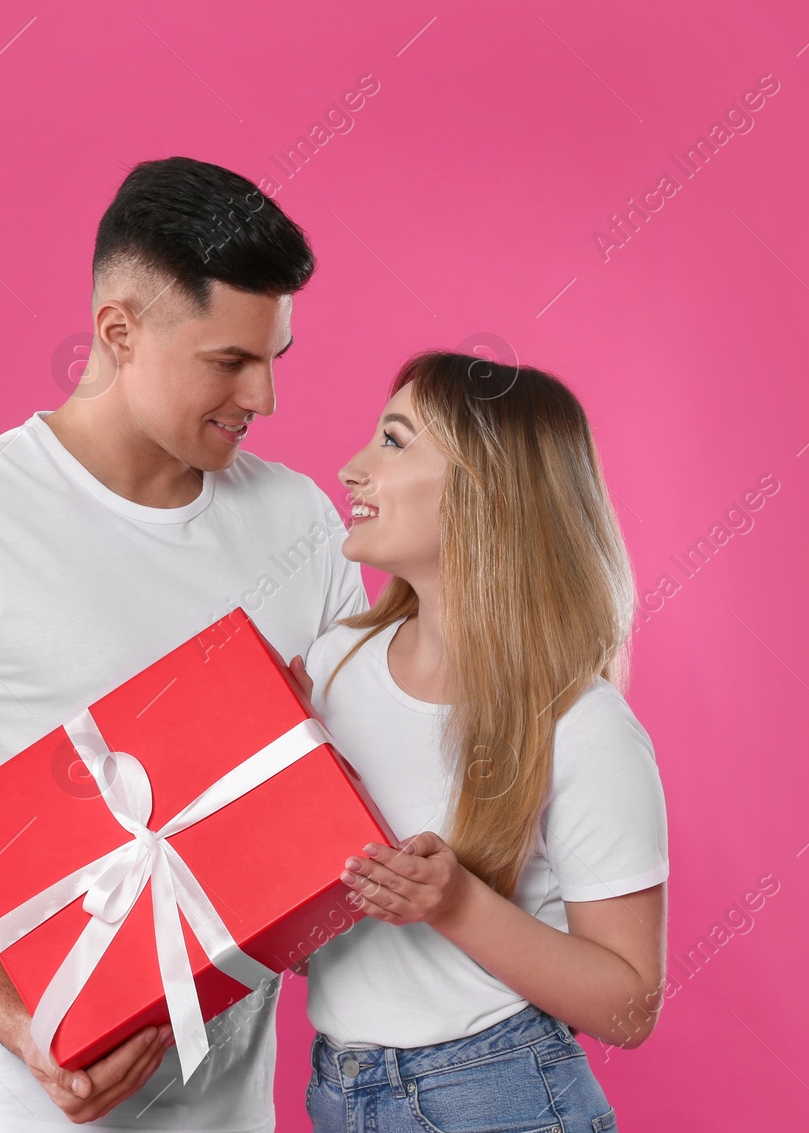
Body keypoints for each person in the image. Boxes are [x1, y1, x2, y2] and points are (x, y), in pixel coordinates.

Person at [0, 155, 367, 1132]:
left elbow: (349, 790)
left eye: (274, 357)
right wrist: (27, 1027)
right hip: (5, 1114)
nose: (264, 397)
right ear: (118, 331)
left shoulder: (300, 522)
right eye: (227, 361)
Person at [293, 350, 669, 1132]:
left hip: (498, 1096)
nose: (351, 468)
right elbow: (306, 942)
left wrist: (457, 903)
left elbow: (630, 1005)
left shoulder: (583, 724)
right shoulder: (332, 667)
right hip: (338, 1089)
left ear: (481, 489)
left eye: (394, 442)